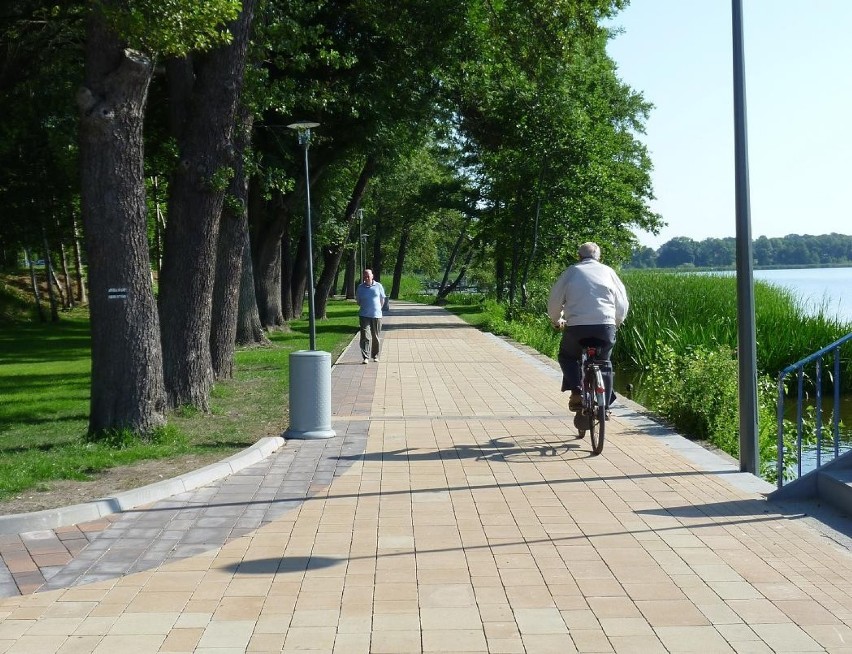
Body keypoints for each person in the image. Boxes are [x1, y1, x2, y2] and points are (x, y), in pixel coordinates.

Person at [547, 242, 629, 412]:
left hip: (577, 327)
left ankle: (577, 391)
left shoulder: (572, 272)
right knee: (604, 362)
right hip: (605, 326)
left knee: (568, 357)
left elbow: (554, 300)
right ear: (599, 257)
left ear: (579, 256)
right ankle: (604, 406)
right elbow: (621, 303)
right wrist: (617, 321)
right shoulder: (609, 272)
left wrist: (557, 320)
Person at [355, 268, 386, 364]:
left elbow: (382, 299)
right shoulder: (360, 287)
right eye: (365, 276)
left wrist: (377, 309)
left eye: (368, 276)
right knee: (365, 336)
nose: (366, 278)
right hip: (364, 315)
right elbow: (358, 301)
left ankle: (375, 355)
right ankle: (365, 357)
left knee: (375, 336)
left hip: (376, 315)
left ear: (372, 276)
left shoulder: (378, 286)